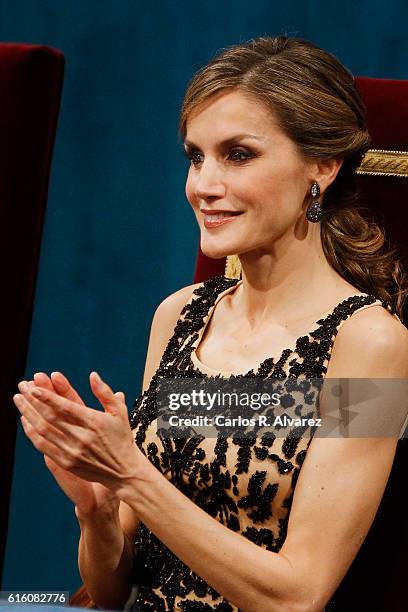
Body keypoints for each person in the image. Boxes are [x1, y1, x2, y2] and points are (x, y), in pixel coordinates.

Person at [13, 36, 408, 612]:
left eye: (238, 154)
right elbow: (109, 591)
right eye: (195, 156)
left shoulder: (372, 343)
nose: (202, 185)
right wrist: (97, 511)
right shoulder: (178, 316)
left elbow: (298, 597)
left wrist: (133, 478)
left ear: (321, 165)